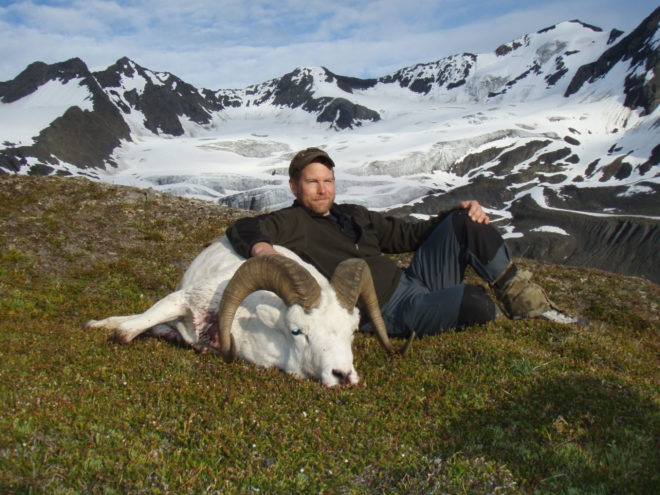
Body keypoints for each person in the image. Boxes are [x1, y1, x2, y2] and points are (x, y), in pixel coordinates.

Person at [226, 147, 586, 338]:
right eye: (312, 182)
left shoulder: (352, 213)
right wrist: (263, 250)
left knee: (466, 222)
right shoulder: (292, 222)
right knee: (476, 303)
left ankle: (530, 306)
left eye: (328, 181)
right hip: (386, 312)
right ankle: (470, 307)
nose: (322, 190)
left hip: (414, 281)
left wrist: (453, 214)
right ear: (294, 186)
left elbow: (408, 236)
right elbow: (243, 227)